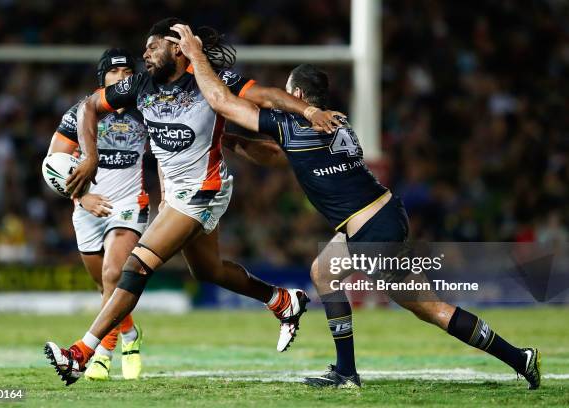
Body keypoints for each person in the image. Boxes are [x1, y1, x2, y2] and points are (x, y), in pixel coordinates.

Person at [166, 24, 542, 390]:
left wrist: (196, 54)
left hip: (371, 229)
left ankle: (352, 374)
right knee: (342, 279)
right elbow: (281, 157)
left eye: (287, 92)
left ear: (295, 92)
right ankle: (514, 358)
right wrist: (226, 141)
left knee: (423, 305)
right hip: (381, 216)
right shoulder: (335, 124)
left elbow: (222, 102)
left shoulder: (295, 125)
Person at [44, 17, 344, 386]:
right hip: (177, 194)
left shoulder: (209, 80)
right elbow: (89, 106)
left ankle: (82, 353)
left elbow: (265, 95)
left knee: (136, 266)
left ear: (177, 48)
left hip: (204, 188)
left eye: (152, 46)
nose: (145, 54)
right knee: (208, 271)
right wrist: (89, 157)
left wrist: (309, 111)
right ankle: (283, 301)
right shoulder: (140, 85)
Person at [47, 48, 147, 380]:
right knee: (106, 287)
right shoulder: (81, 112)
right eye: (114, 72)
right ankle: (131, 334)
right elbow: (53, 162)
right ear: (102, 77)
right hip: (86, 208)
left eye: (127, 71)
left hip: (130, 203)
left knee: (114, 272)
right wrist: (83, 195)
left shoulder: (145, 109)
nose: (122, 78)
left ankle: (102, 352)